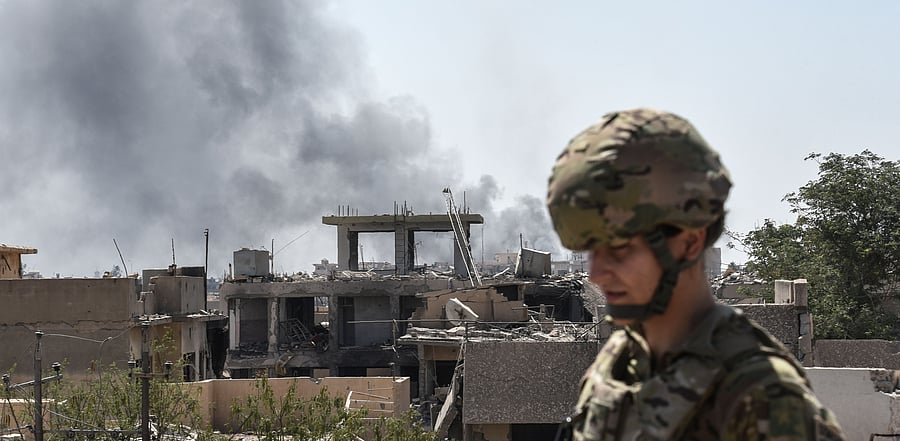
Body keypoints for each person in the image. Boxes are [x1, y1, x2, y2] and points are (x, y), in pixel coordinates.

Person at [546, 108, 846, 440]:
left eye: (619, 250)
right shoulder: (619, 360)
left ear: (689, 242)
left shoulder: (762, 397)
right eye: (591, 251)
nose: (596, 275)